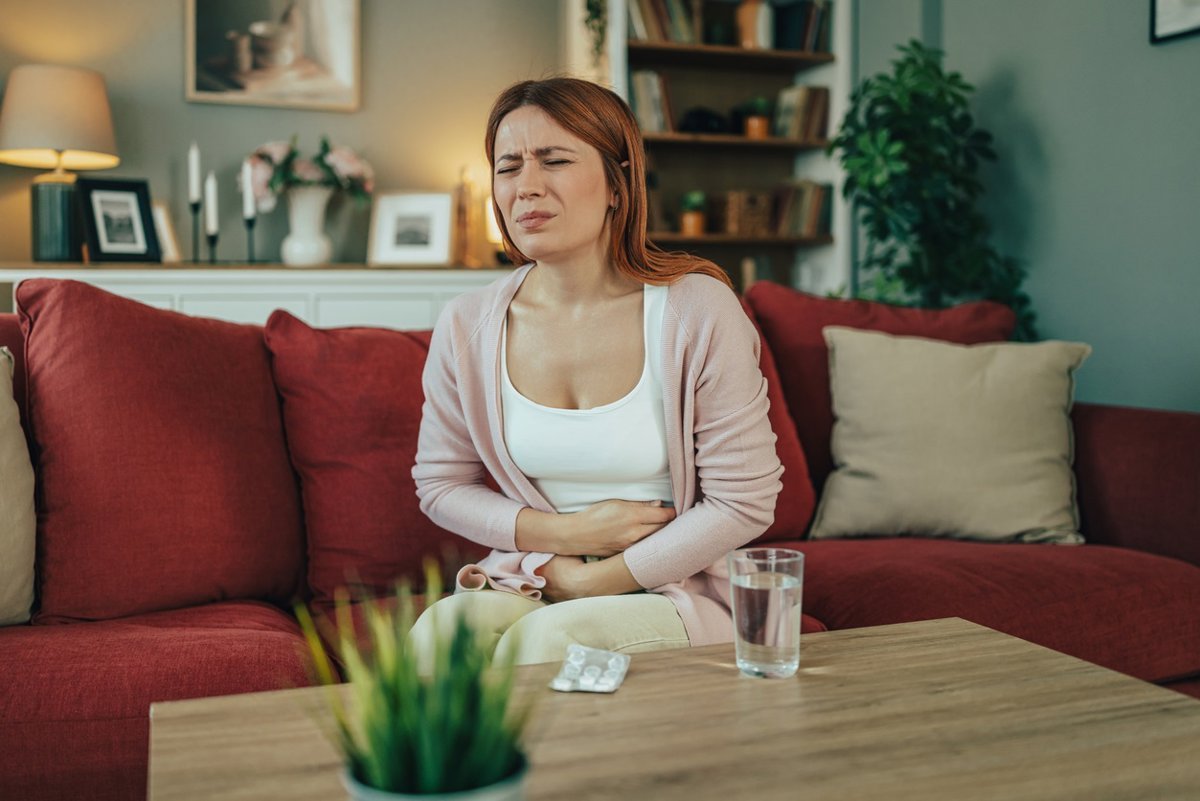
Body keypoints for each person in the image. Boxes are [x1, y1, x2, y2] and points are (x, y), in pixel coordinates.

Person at [409, 77, 782, 666]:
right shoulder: (466, 324)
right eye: (508, 168)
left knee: (550, 644)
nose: (526, 186)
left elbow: (745, 502)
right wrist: (565, 542)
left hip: (673, 587)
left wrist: (592, 580)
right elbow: (441, 485)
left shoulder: (697, 310)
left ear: (618, 182)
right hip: (535, 574)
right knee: (439, 637)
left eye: (554, 160)